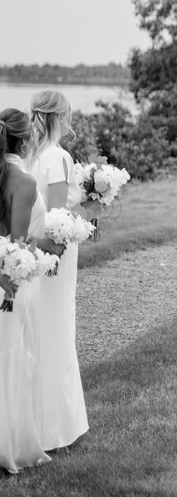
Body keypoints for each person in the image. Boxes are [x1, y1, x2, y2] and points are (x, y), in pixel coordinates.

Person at [28, 90, 89, 450]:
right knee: (58, 326)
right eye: (66, 114)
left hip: (36, 248)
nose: (70, 120)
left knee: (39, 326)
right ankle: (58, 426)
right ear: (56, 117)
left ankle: (37, 415)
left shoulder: (30, 156)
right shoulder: (58, 157)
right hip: (56, 254)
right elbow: (55, 218)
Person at [0, 109, 50, 474]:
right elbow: (16, 244)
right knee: (10, 357)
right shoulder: (23, 181)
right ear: (25, 139)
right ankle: (10, 446)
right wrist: (45, 243)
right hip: (8, 279)